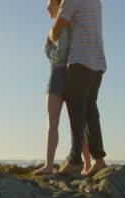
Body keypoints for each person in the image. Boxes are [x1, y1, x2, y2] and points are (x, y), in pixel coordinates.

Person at [47, 0, 108, 176]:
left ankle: (75, 160)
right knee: (90, 110)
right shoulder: (95, 2)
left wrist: (49, 37)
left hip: (80, 62)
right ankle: (99, 159)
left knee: (76, 111)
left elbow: (57, 30)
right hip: (98, 63)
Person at [34, 0, 91, 176]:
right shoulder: (68, 26)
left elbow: (59, 54)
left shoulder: (61, 27)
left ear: (60, 6)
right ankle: (86, 164)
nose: (47, 8)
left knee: (55, 124)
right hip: (67, 74)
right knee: (75, 123)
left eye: (50, 4)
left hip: (59, 74)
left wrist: (48, 46)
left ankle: (51, 165)